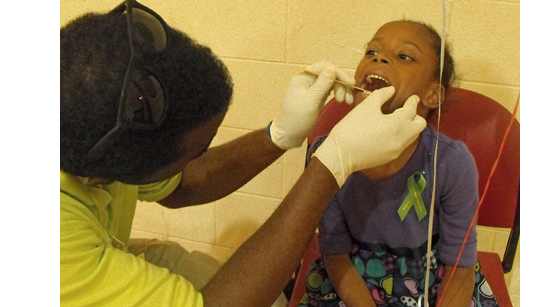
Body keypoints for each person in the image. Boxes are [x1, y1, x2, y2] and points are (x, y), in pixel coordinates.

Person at [60, 1, 426, 306]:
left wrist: (278, 135)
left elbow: (182, 184)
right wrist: (331, 164)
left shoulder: (84, 117)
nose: (379, 62)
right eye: (197, 151)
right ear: (124, 169)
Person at [298, 20, 500, 307]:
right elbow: (336, 255)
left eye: (404, 56)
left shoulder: (452, 163)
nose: (378, 59)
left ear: (432, 94)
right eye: (371, 52)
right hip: (353, 280)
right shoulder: (328, 155)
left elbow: (459, 266)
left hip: (436, 282)